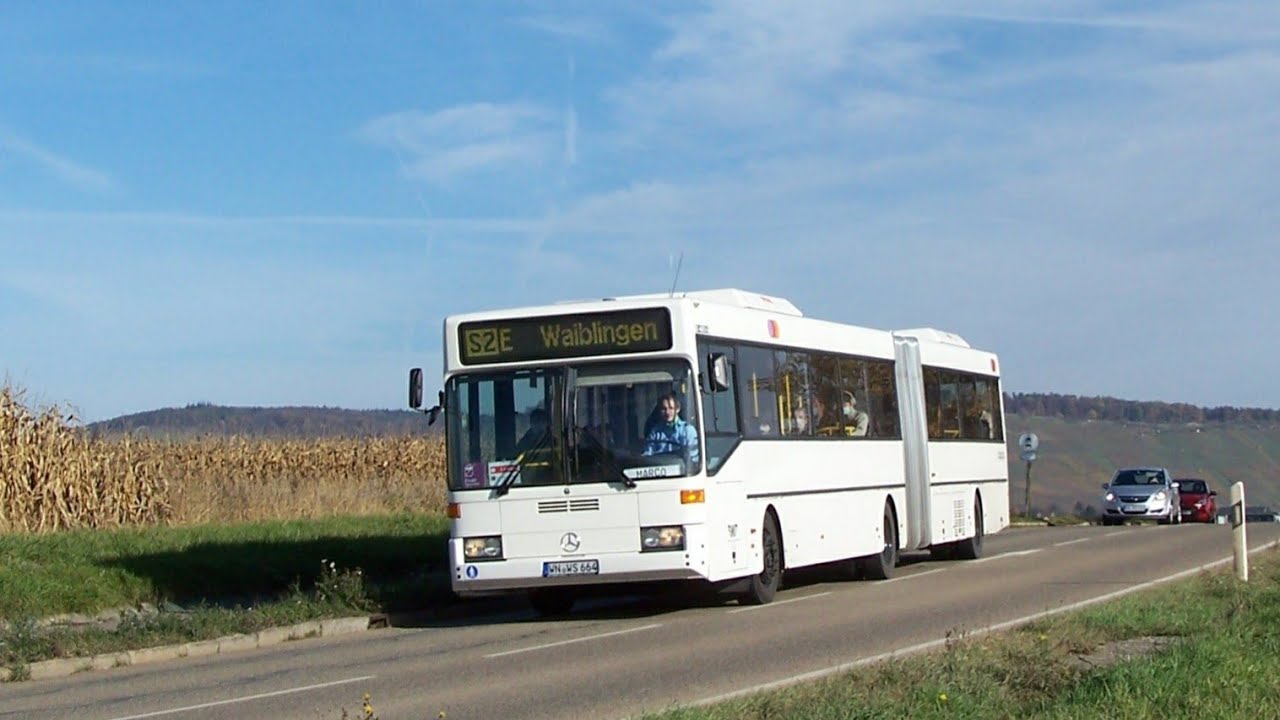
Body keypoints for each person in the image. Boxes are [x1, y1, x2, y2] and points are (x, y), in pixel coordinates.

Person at [642, 392, 699, 464]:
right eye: (664, 409)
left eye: (671, 408)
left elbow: (693, 459)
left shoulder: (688, 431)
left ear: (677, 409)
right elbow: (647, 456)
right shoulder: (655, 433)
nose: (667, 412)